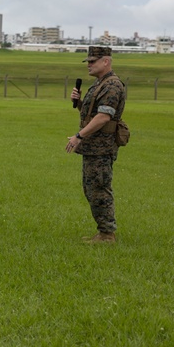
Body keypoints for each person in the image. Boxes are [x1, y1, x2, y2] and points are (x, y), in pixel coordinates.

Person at [66, 46, 127, 243]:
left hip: (102, 147)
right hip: (94, 147)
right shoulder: (100, 84)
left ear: (106, 61)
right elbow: (93, 114)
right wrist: (80, 102)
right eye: (88, 61)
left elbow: (102, 118)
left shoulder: (112, 86)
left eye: (93, 61)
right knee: (91, 189)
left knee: (99, 188)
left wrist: (78, 136)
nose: (89, 65)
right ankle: (103, 232)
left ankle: (107, 234)